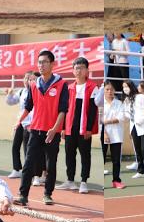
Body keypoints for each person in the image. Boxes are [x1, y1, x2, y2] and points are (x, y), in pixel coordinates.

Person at [16, 51, 68, 207]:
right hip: (35, 130)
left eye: (44, 62)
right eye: (39, 62)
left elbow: (63, 110)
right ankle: (23, 195)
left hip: (52, 132)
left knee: (50, 164)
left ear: (52, 64)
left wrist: (55, 128)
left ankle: (47, 194)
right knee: (28, 163)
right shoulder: (34, 85)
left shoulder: (61, 84)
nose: (41, 65)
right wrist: (19, 121)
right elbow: (28, 106)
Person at [62, 58, 98, 193]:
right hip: (70, 127)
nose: (79, 70)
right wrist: (63, 128)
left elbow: (93, 110)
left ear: (87, 70)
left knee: (85, 155)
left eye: (82, 68)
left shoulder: (92, 87)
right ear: (73, 71)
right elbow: (64, 109)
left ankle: (83, 182)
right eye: (76, 68)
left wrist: (89, 128)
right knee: (69, 154)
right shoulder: (69, 88)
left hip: (84, 128)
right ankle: (70, 181)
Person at [6, 72, 35, 180]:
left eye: (30, 79)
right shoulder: (22, 91)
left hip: (31, 123)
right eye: (26, 78)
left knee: (28, 149)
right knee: (15, 146)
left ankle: (30, 172)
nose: (27, 81)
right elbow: (11, 102)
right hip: (21, 122)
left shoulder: (36, 91)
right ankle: (16, 169)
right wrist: (9, 94)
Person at [98, 82, 126, 189]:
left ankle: (116, 181)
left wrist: (107, 121)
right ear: (104, 91)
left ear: (114, 90)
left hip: (117, 135)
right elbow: (100, 120)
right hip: (104, 133)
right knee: (102, 159)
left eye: (111, 89)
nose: (109, 91)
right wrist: (105, 133)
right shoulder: (101, 104)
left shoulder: (119, 103)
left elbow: (121, 118)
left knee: (116, 160)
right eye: (107, 89)